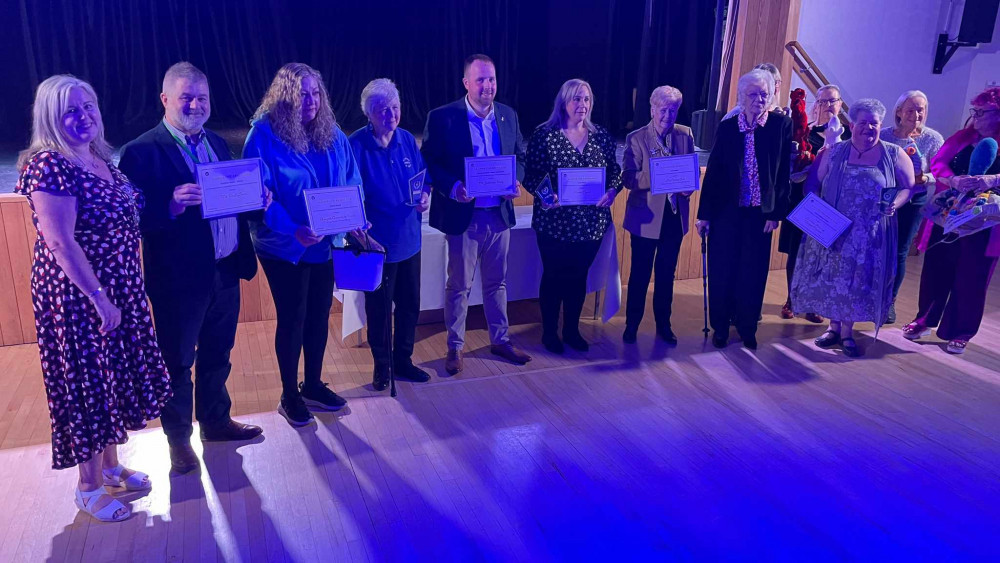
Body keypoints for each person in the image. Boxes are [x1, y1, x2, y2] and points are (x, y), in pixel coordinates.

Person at [14, 75, 172, 522]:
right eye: (69, 110)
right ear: (50, 117)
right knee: (87, 388)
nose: (83, 117)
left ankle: (111, 467)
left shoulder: (99, 156)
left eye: (88, 106)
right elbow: (61, 243)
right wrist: (101, 298)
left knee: (112, 379)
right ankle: (88, 487)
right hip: (79, 297)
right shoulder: (50, 165)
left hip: (118, 287)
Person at [118, 62, 263, 474]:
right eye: (186, 98)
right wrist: (170, 205)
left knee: (219, 353)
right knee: (178, 360)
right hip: (179, 282)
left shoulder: (217, 142)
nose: (196, 105)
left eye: (202, 97)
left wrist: (258, 199)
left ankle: (216, 422)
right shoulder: (140, 151)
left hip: (224, 270)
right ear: (165, 100)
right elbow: (133, 221)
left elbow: (232, 205)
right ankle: (178, 440)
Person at [243, 63, 378, 426]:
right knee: (293, 317)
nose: (311, 101)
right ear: (284, 96)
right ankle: (289, 395)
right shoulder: (263, 136)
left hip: (324, 242)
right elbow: (260, 197)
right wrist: (293, 229)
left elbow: (352, 180)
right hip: (283, 246)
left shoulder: (331, 132)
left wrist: (355, 217)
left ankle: (313, 385)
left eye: (316, 93)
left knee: (319, 315)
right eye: (302, 93)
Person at [421, 54, 531, 374]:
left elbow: (520, 157)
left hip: (498, 215)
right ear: (466, 82)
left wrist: (516, 179)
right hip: (463, 217)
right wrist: (453, 186)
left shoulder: (508, 116)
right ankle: (455, 347)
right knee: (459, 286)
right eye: (480, 79)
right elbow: (430, 161)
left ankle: (500, 340)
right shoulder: (443, 117)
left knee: (497, 284)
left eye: (492, 79)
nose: (488, 86)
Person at [791, 98, 915, 357]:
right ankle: (833, 328)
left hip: (870, 233)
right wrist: (817, 214)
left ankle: (848, 331)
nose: (869, 128)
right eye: (863, 123)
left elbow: (907, 187)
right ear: (851, 124)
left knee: (858, 280)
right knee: (833, 278)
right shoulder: (833, 152)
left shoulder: (894, 154)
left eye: (875, 124)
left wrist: (895, 204)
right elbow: (813, 184)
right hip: (834, 229)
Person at [522, 79, 622, 353]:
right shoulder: (545, 135)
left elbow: (615, 171)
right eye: (577, 99)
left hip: (591, 225)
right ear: (564, 102)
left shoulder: (601, 135)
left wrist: (613, 191)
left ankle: (572, 331)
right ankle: (550, 333)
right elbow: (530, 175)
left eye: (587, 99)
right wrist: (544, 195)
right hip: (554, 223)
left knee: (579, 278)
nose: (582, 105)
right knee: (553, 277)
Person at [697, 69, 792, 350]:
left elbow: (782, 172)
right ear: (741, 97)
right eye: (753, 94)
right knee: (722, 267)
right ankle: (721, 327)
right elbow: (713, 172)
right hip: (727, 210)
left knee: (753, 270)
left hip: (760, 214)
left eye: (765, 94)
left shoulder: (780, 125)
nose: (759, 99)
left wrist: (776, 214)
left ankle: (748, 326)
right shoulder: (728, 127)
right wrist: (705, 214)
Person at [903, 87, 1000, 354]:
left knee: (973, 277)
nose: (976, 117)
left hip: (986, 223)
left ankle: (961, 331)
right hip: (950, 214)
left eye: (983, 112)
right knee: (936, 267)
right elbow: (938, 163)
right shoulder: (963, 137)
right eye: (975, 111)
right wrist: (954, 179)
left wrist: (991, 180)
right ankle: (924, 320)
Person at [349, 78, 431, 390]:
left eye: (395, 107)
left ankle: (404, 360)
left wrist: (425, 194)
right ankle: (382, 366)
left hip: (410, 240)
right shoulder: (356, 145)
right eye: (383, 110)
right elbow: (350, 194)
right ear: (369, 114)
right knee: (380, 309)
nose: (391, 115)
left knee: (410, 305)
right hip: (376, 245)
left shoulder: (408, 139)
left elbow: (422, 179)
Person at [621, 85, 695, 345]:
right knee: (640, 275)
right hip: (645, 220)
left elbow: (689, 173)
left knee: (666, 275)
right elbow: (628, 178)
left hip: (674, 218)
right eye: (663, 109)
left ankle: (664, 324)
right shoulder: (637, 138)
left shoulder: (685, 134)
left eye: (673, 109)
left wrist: (688, 187)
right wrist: (659, 174)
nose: (668, 115)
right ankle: (632, 326)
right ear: (652, 109)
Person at [779, 84, 850, 323]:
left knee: (820, 255)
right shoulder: (803, 134)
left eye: (833, 101)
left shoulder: (848, 137)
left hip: (833, 205)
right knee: (796, 252)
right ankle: (792, 299)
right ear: (815, 104)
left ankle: (812, 303)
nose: (828, 105)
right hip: (803, 201)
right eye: (823, 101)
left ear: (840, 104)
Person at [878, 90, 944, 323]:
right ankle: (870, 297)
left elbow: (940, 172)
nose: (916, 114)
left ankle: (889, 302)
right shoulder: (884, 135)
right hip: (883, 198)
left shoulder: (932, 138)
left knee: (899, 251)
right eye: (911, 109)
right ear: (898, 111)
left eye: (921, 109)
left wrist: (923, 178)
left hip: (914, 201)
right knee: (875, 248)